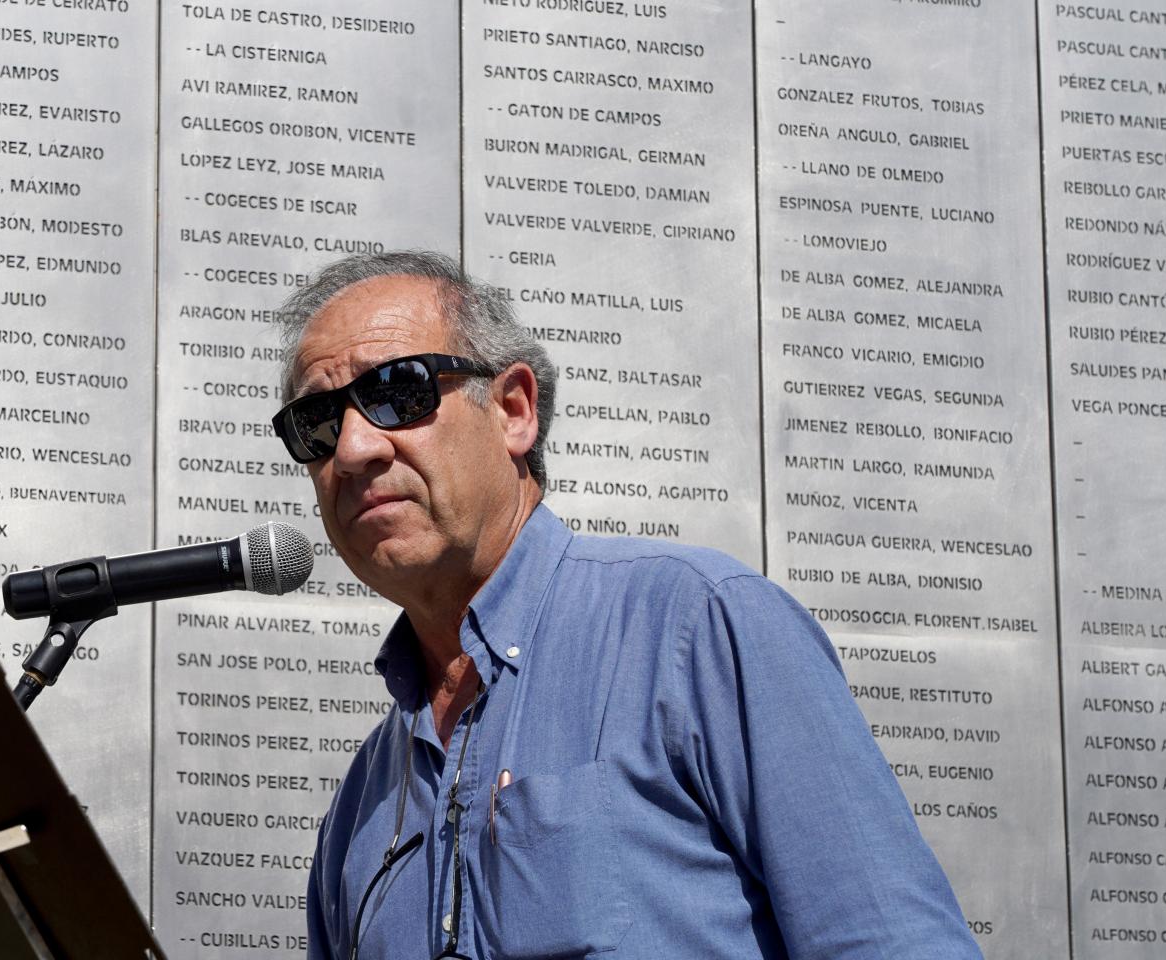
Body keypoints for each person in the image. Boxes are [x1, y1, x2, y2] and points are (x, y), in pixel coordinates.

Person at [271, 250, 981, 959]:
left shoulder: (699, 627)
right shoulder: (361, 806)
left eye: (400, 389)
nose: (356, 447)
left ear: (514, 410)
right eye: (318, 421)